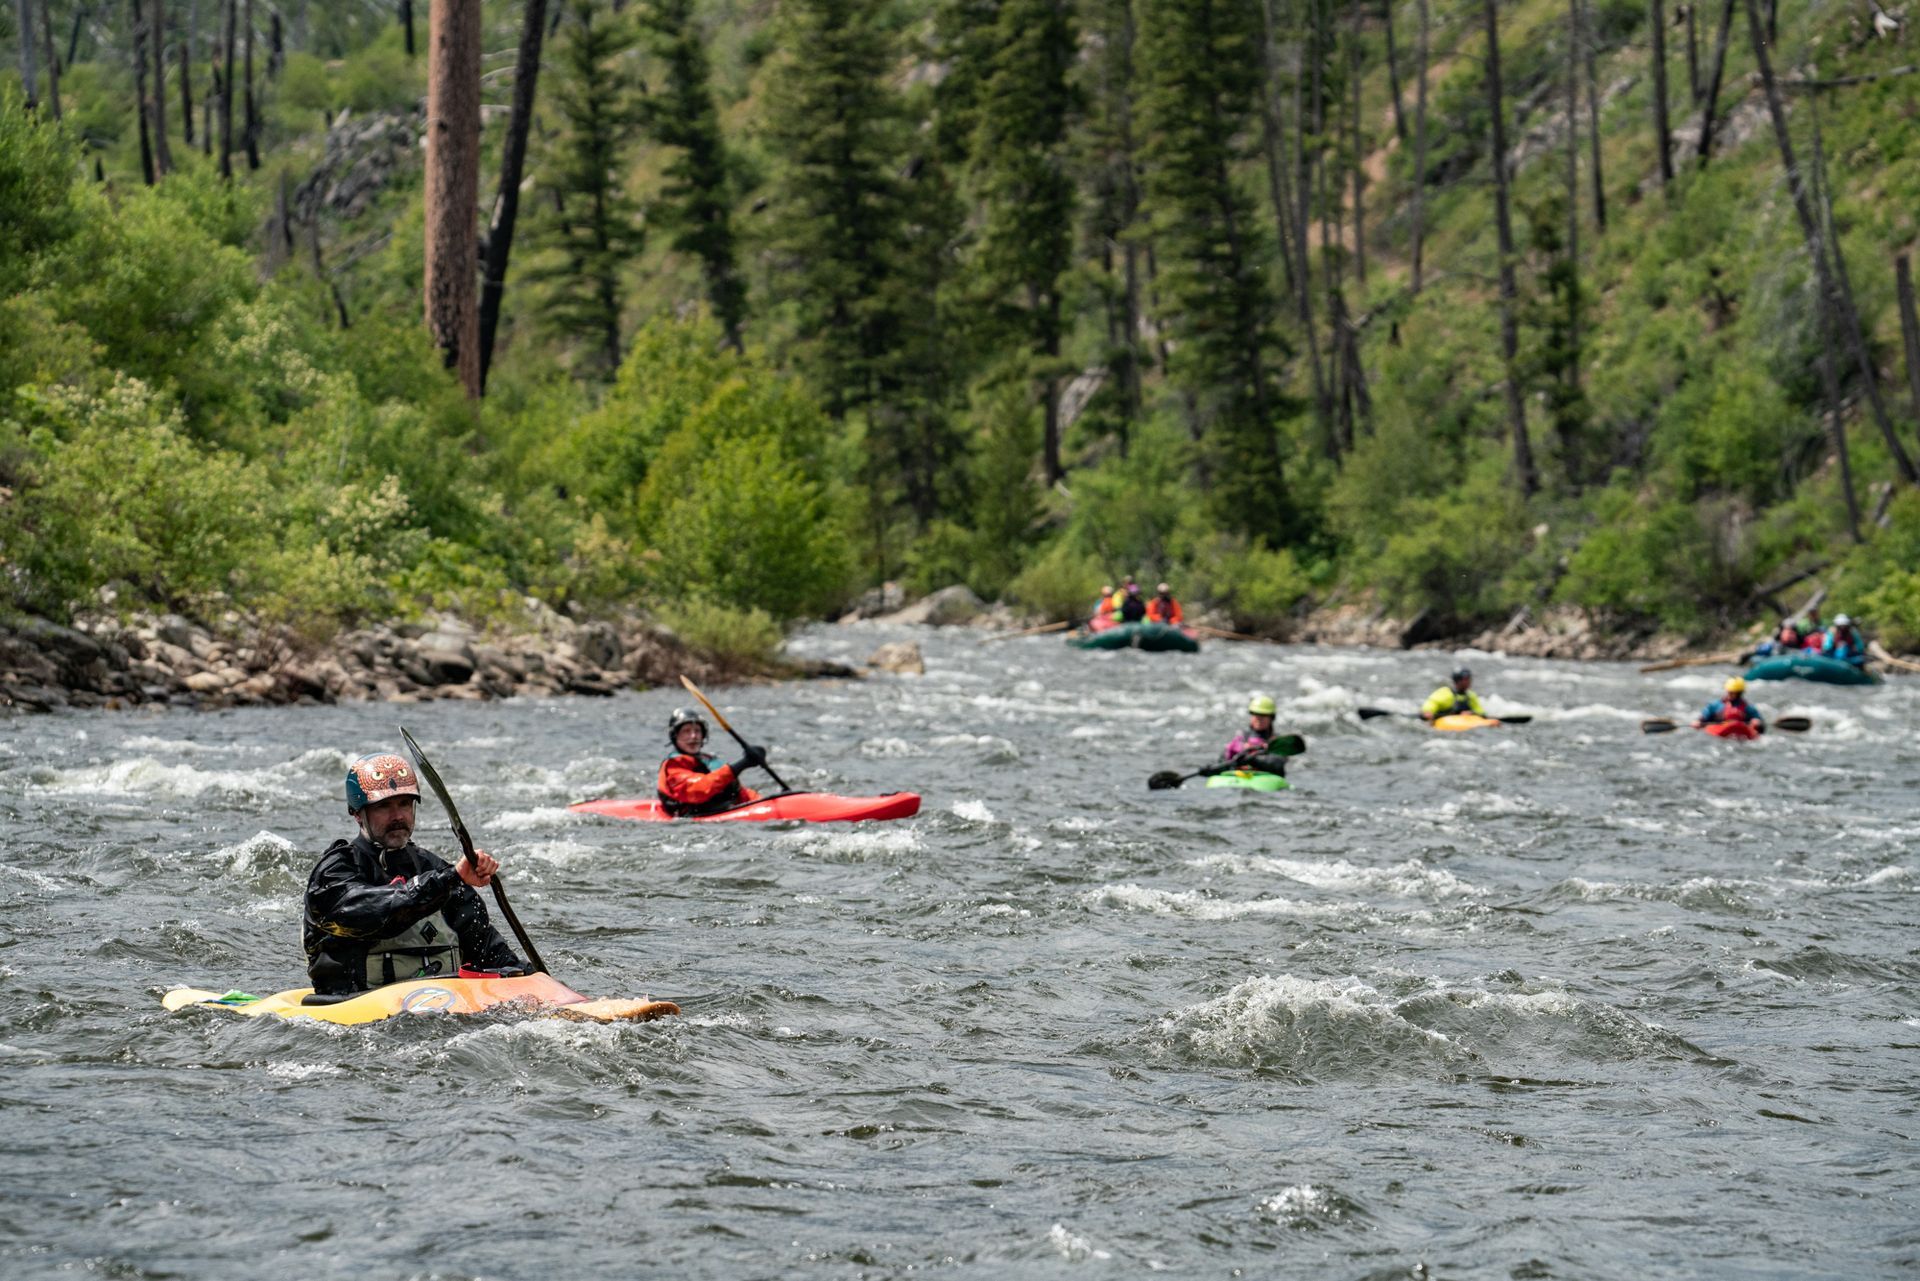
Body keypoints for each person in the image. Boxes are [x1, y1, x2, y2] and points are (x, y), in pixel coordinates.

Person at [304, 752, 527, 996]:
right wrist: (449, 879)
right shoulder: (335, 872)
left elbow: (488, 952)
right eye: (384, 806)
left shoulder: (432, 867)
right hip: (354, 1005)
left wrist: (530, 979)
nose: (397, 816)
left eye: (404, 804)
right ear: (357, 813)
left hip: (438, 1005)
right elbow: (373, 913)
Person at [657, 707, 766, 817]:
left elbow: (738, 792)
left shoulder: (710, 761)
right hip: (692, 817)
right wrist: (742, 765)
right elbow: (699, 790)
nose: (693, 736)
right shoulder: (673, 766)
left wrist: (763, 801)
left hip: (721, 812)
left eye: (697, 731)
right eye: (687, 731)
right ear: (675, 736)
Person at [1205, 694, 1295, 776]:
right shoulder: (1240, 738)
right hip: (1239, 776)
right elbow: (1222, 761)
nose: (1259, 719)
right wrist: (1209, 769)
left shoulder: (1277, 741)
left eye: (1263, 715)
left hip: (1267, 777)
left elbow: (1277, 763)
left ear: (1271, 718)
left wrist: (1253, 759)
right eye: (1256, 715)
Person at [1692, 676, 1766, 733]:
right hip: (1719, 730)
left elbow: (1761, 726)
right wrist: (1698, 721)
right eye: (1731, 692)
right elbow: (1704, 717)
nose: (1732, 695)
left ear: (1740, 693)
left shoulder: (1748, 708)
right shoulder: (1715, 705)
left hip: (1741, 733)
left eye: (1736, 693)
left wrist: (1757, 722)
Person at [1420, 666, 1485, 722]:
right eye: (1466, 679)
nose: (1469, 681)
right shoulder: (1445, 693)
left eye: (1469, 678)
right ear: (1458, 680)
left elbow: (1481, 712)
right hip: (1444, 720)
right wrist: (1428, 712)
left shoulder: (1471, 696)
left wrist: (1473, 713)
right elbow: (1431, 704)